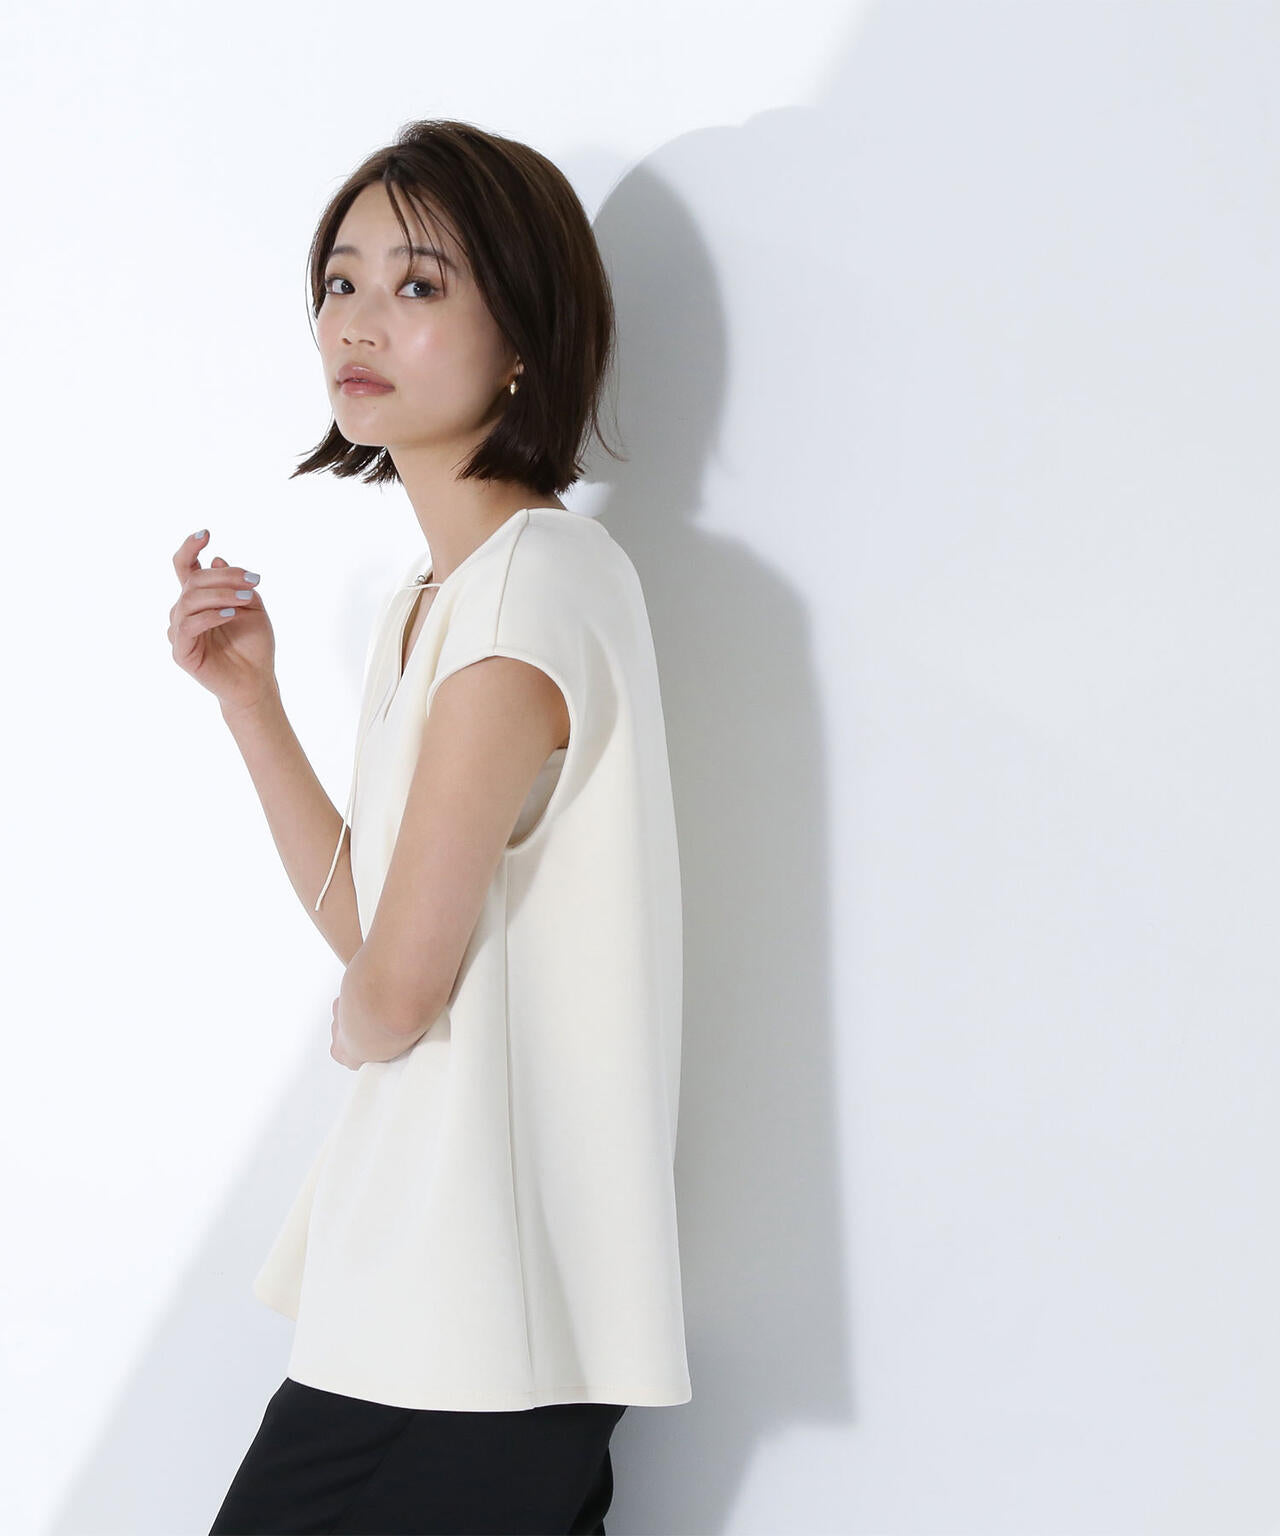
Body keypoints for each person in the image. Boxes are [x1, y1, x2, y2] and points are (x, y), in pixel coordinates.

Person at [168, 118, 691, 1534]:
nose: (358, 319)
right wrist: (253, 705)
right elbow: (373, 930)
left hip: (465, 1318)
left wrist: (369, 1014)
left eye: (418, 283)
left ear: (524, 335)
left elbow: (393, 993)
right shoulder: (446, 597)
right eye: (339, 281)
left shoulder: (525, 591)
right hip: (453, 1297)